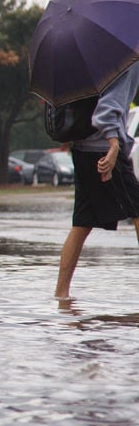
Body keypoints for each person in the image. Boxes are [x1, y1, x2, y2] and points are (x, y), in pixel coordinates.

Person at [55, 60, 139, 299]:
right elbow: (107, 108)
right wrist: (114, 145)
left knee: (81, 224)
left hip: (82, 148)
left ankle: (61, 295)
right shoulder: (127, 58)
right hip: (104, 148)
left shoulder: (90, 59)